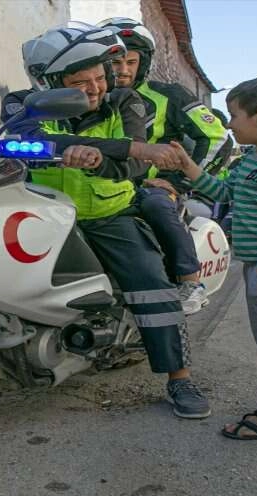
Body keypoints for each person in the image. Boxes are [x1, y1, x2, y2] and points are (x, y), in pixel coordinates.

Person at [1, 24, 210, 419]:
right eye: (80, 83)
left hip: (108, 214)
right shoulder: (21, 103)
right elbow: (23, 140)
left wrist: (101, 161)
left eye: (99, 77)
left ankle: (179, 377)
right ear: (50, 84)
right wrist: (117, 149)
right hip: (40, 212)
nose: (95, 88)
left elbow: (134, 165)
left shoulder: (125, 101)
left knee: (150, 282)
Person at [160, 76, 257, 439]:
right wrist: (188, 166)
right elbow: (223, 193)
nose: (229, 125)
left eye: (234, 115)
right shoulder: (251, 161)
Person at [98, 17, 232, 315]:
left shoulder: (169, 95)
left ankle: (190, 282)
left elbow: (218, 138)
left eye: (131, 62)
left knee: (157, 204)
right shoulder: (92, 97)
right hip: (98, 187)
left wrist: (178, 182)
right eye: (115, 62)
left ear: (143, 63)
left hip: (152, 188)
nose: (122, 70)